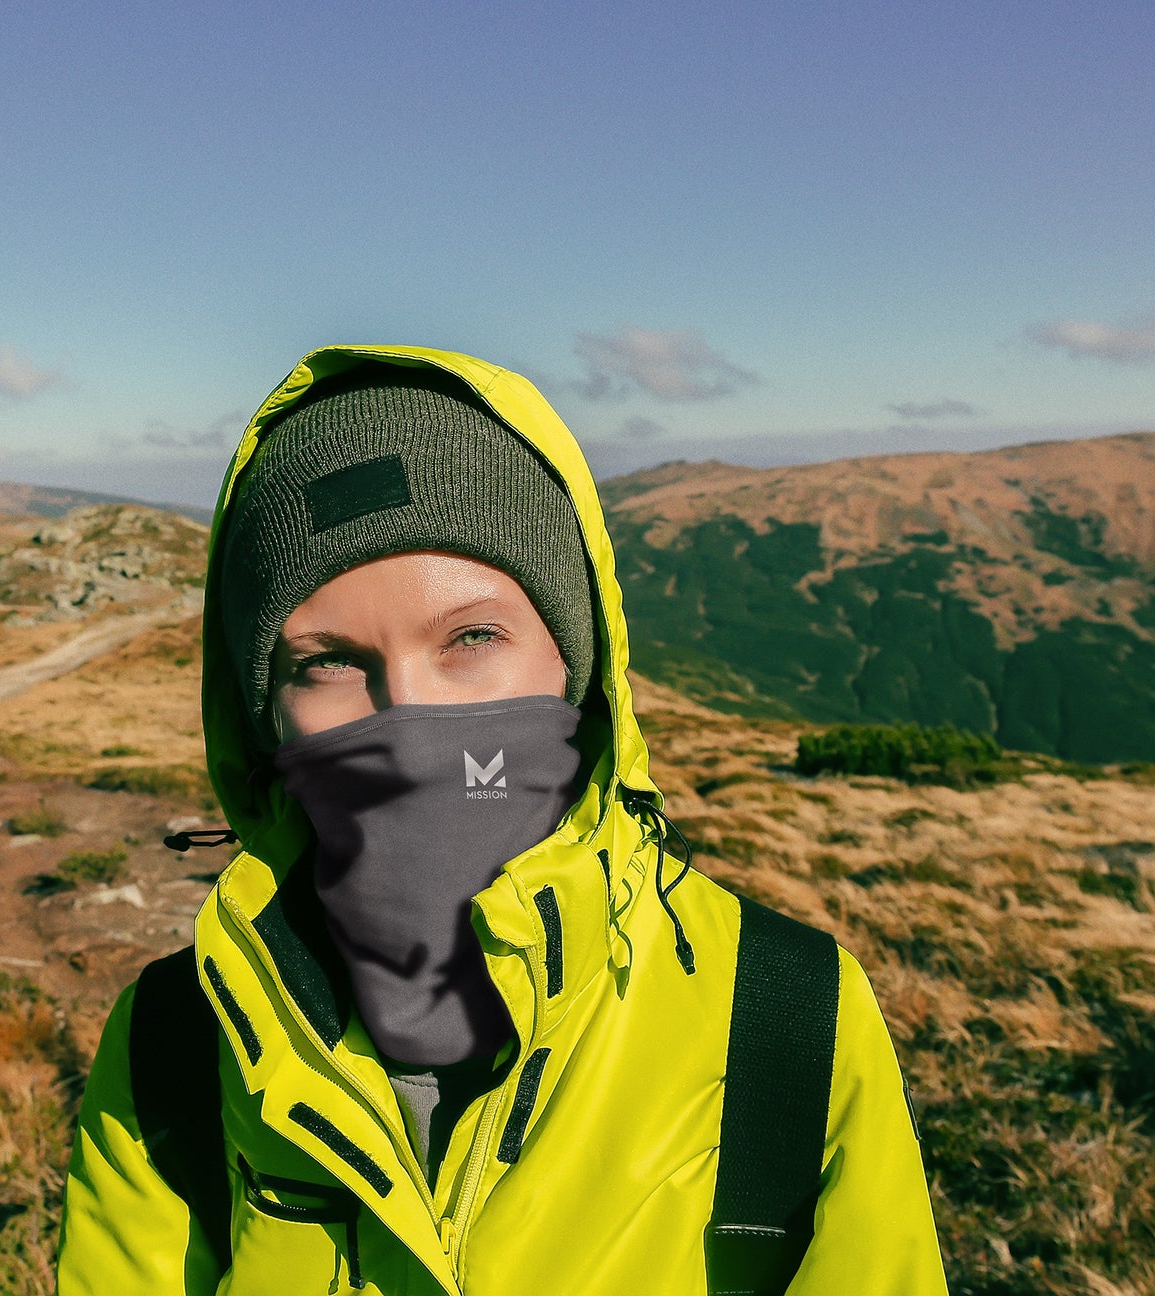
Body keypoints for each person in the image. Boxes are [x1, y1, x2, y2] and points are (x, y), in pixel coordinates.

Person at [55, 345, 948, 1294]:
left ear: (580, 661)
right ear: (260, 715)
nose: (411, 721)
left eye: (472, 637)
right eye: (323, 662)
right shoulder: (177, 1047)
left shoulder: (785, 1017)